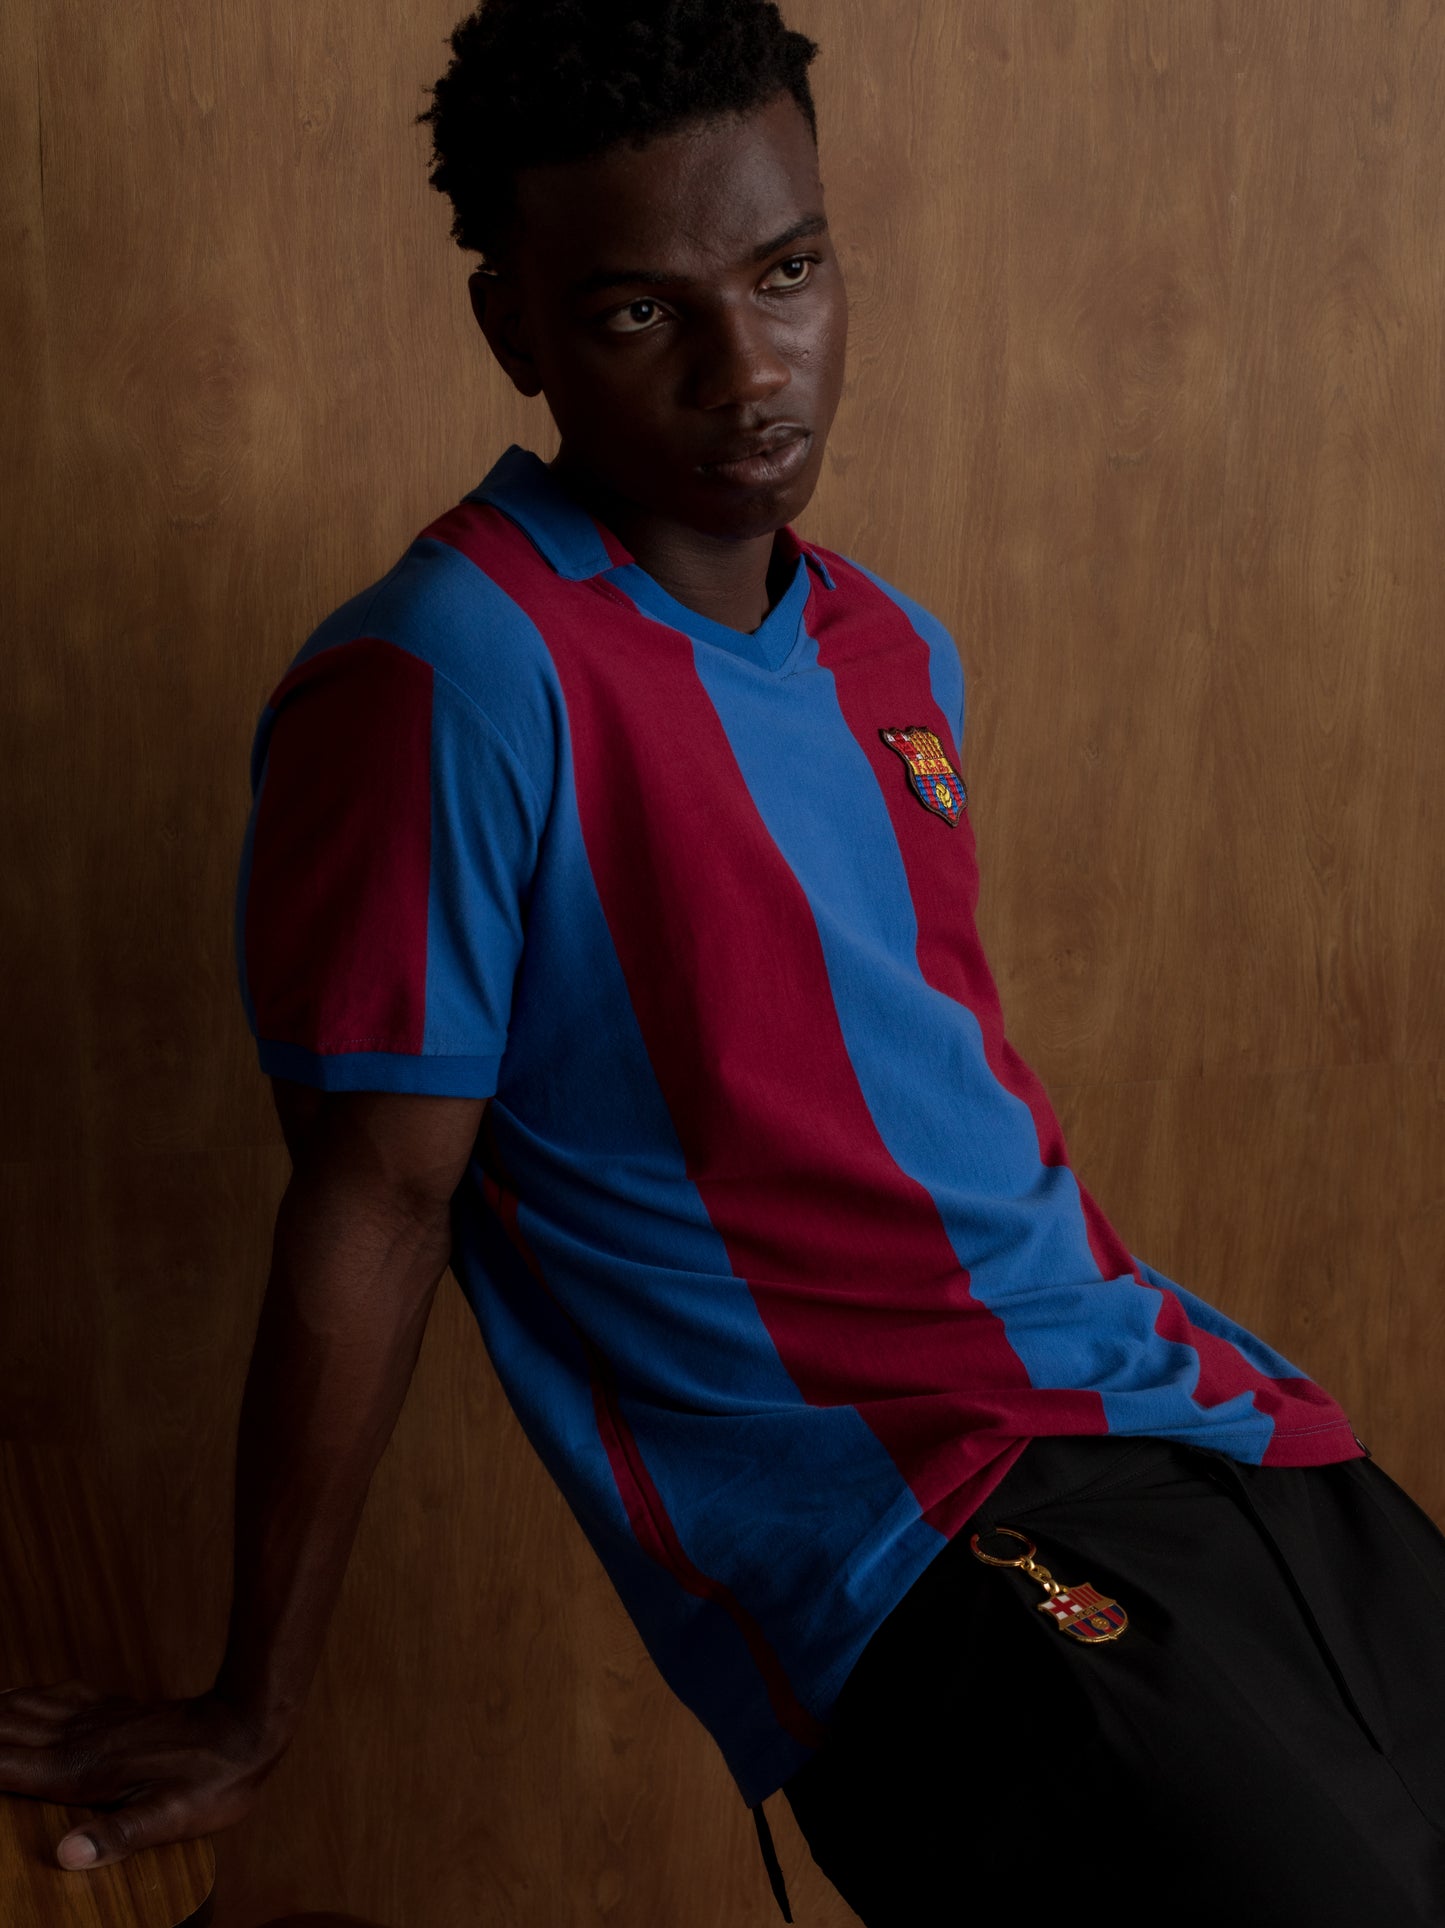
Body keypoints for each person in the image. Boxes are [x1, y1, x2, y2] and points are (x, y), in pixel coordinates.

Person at [3, 3, 1443, 1922]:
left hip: (1212, 1427)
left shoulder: (888, 646)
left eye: (786, 272)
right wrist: (253, 1703)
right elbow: (377, 1202)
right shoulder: (450, 672)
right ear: (513, 326)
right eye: (636, 312)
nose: (749, 368)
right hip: (915, 1535)